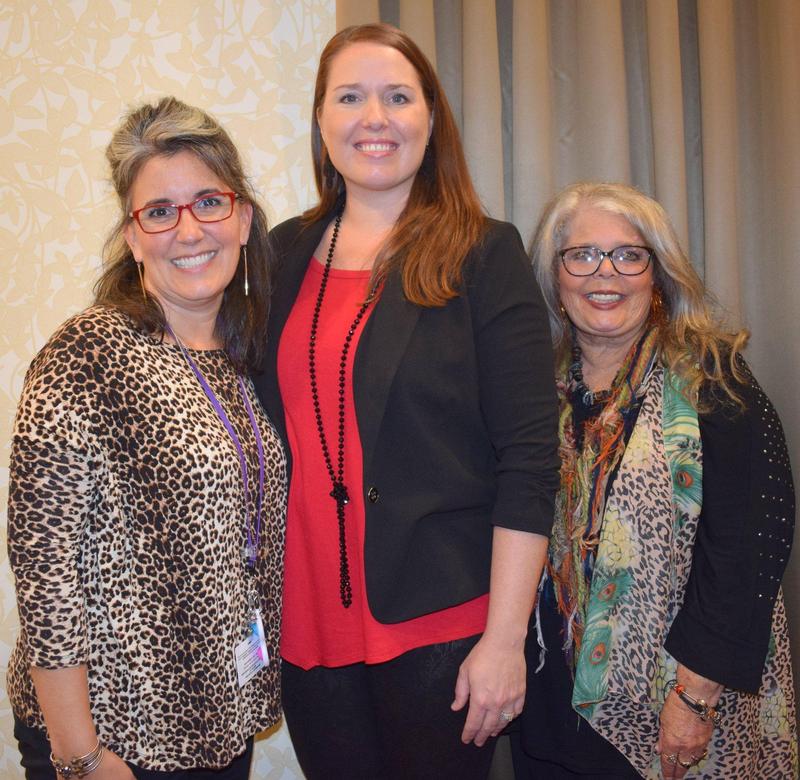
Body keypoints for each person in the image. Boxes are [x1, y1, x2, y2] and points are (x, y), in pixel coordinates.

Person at [253, 22, 560, 780]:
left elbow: (529, 461)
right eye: (349, 97)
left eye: (398, 96)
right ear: (322, 122)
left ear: (431, 117)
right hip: (310, 628)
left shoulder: (484, 253)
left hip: (446, 629)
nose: (374, 118)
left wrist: (503, 640)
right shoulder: (280, 254)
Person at [7, 96, 286, 779]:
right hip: (116, 742)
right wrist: (81, 757)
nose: (188, 230)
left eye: (209, 203)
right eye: (159, 212)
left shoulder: (246, 358)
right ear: (133, 237)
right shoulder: (88, 355)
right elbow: (46, 577)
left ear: (243, 219)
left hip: (221, 725)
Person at [510, 181, 797, 779]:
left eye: (628, 254)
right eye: (581, 255)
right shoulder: (534, 391)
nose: (603, 273)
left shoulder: (712, 380)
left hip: (674, 704)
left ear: (657, 275)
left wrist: (694, 698)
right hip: (550, 710)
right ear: (556, 280)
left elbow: (748, 550)